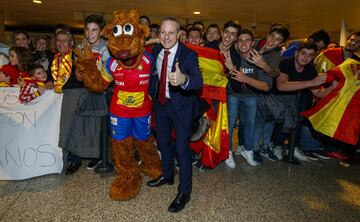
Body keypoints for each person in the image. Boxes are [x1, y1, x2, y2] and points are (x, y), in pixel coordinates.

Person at [147, 17, 203, 213]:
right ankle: (168, 175)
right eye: (163, 32)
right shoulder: (156, 50)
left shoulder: (188, 55)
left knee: (181, 149)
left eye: (171, 33)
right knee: (163, 143)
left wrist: (183, 79)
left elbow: (197, 82)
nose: (166, 36)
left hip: (182, 107)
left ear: (179, 34)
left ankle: (185, 191)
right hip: (161, 105)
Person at [224, 29, 272, 167]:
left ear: (252, 43)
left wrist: (245, 77)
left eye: (247, 40)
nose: (243, 43)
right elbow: (228, 77)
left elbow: (265, 85)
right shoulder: (232, 55)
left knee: (250, 124)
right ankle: (227, 152)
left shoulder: (257, 58)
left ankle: (248, 149)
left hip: (251, 95)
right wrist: (231, 68)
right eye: (240, 40)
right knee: (230, 124)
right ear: (236, 43)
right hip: (233, 94)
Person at [276, 41, 329, 160]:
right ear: (296, 53)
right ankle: (277, 145)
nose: (306, 57)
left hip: (298, 103)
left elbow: (317, 93)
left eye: (310, 55)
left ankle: (293, 147)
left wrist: (334, 87)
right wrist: (311, 82)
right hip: (279, 101)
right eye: (303, 53)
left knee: (301, 114)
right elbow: (281, 86)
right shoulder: (286, 63)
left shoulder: (310, 69)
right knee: (283, 115)